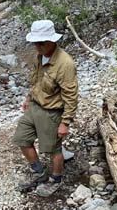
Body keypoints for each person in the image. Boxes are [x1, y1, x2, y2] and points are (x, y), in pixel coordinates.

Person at [13, 20, 79, 197]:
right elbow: (36, 80)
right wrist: (28, 97)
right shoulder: (39, 56)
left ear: (52, 40)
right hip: (35, 106)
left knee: (53, 149)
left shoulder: (65, 63)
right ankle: (39, 171)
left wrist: (65, 122)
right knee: (22, 139)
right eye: (35, 42)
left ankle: (56, 179)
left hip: (52, 112)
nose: (37, 46)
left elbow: (71, 95)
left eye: (41, 43)